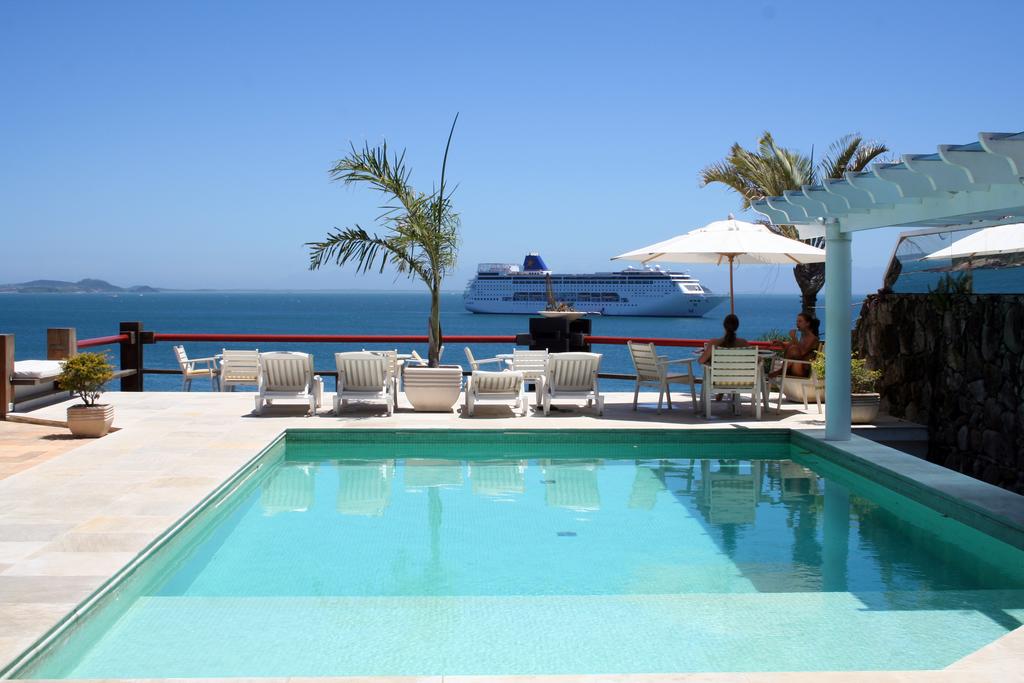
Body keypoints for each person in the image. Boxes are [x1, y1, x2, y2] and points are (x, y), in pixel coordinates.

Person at [772, 312, 820, 377]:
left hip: (804, 368)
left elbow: (802, 352)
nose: (797, 323)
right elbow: (795, 347)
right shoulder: (803, 335)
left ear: (807, 324)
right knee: (793, 348)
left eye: (800, 321)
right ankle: (781, 371)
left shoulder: (812, 338)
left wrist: (794, 338)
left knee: (794, 349)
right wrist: (781, 343)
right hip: (797, 364)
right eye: (797, 321)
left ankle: (781, 371)